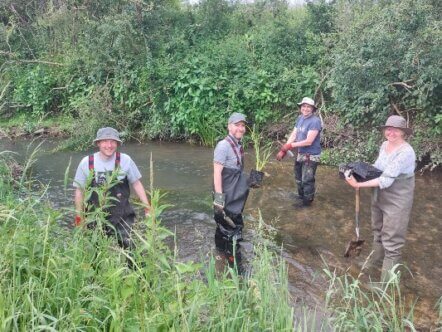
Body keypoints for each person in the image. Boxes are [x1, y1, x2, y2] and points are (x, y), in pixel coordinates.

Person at [344, 115, 415, 282]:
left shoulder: (406, 152)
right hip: (379, 195)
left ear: (403, 133)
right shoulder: (384, 145)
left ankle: (385, 286)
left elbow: (386, 179)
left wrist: (358, 185)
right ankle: (375, 264)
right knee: (378, 233)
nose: (391, 133)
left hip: (397, 200)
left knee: (393, 244)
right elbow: (377, 169)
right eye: (388, 129)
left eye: (396, 130)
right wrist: (357, 173)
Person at [73, 127, 150, 250]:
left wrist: (148, 209)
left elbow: (136, 184)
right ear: (98, 143)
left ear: (117, 144)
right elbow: (79, 191)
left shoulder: (125, 160)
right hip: (95, 216)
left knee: (131, 251)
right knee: (94, 253)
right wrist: (79, 217)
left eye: (113, 141)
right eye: (105, 141)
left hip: (122, 216)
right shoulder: (86, 162)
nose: (109, 145)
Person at [213, 113, 250, 267]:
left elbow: (236, 173)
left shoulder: (238, 145)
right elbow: (217, 173)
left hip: (235, 193)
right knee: (233, 228)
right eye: (237, 125)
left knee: (223, 227)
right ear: (229, 126)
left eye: (243, 126)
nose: (240, 128)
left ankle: (219, 253)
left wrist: (250, 181)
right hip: (226, 195)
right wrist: (219, 199)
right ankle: (235, 266)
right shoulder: (223, 145)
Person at [276, 97, 322, 207]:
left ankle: (307, 203)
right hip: (301, 153)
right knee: (298, 177)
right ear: (301, 107)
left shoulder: (315, 121)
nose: (305, 109)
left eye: (308, 107)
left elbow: (309, 141)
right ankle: (301, 197)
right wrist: (284, 149)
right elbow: (294, 134)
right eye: (303, 106)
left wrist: (291, 145)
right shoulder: (300, 118)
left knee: (307, 180)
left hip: (311, 156)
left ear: (313, 109)